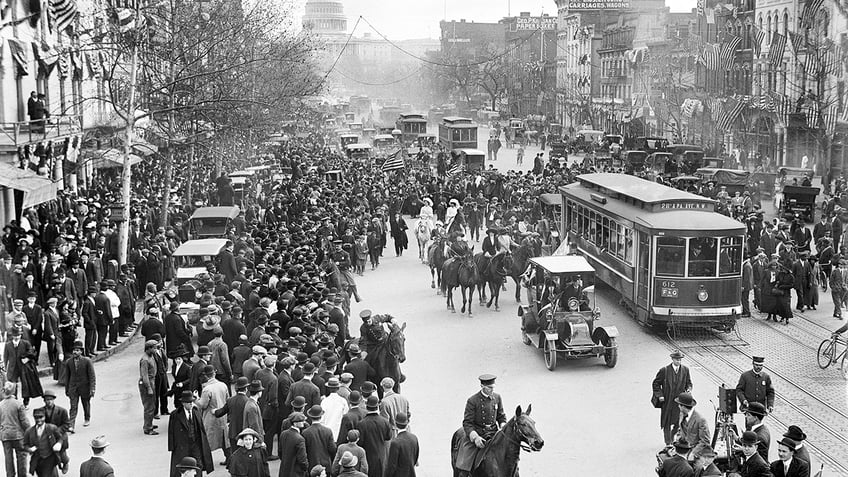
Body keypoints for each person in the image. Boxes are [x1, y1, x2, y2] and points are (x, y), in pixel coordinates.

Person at [455, 374, 507, 475]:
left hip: (493, 433)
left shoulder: (497, 397)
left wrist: (502, 426)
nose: (492, 390)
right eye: (489, 388)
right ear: (482, 386)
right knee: (464, 466)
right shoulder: (472, 401)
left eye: (493, 387)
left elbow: (501, 416)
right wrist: (475, 438)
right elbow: (467, 423)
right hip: (478, 433)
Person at [168, 391, 214, 477]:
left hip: (195, 444)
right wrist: (172, 447)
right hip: (182, 445)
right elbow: (171, 432)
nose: (191, 404)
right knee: (183, 467)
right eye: (188, 402)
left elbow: (201, 429)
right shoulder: (175, 414)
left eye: (191, 402)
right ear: (183, 403)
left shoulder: (196, 412)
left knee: (198, 464)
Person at [652, 350, 693, 444]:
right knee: (666, 422)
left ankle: (672, 436)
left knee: (679, 422)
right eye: (677, 360)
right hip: (667, 401)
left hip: (679, 402)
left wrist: (689, 390)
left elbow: (689, 383)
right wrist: (660, 395)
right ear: (672, 359)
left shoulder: (685, 370)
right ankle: (668, 443)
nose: (679, 361)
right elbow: (656, 383)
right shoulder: (664, 370)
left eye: (680, 360)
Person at [196, 365, 230, 464]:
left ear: (205, 376)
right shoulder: (223, 385)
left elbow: (203, 405)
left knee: (207, 441)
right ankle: (229, 459)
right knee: (224, 439)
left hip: (210, 418)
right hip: (223, 415)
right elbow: (228, 399)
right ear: (214, 373)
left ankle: (205, 462)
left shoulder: (207, 389)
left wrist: (195, 399)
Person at [62, 339, 95, 431]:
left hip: (85, 387)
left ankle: (87, 418)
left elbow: (92, 376)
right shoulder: (69, 362)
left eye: (77, 350)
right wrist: (67, 389)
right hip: (73, 388)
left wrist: (92, 389)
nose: (75, 352)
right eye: (74, 350)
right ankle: (71, 425)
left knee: (86, 404)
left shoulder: (87, 361)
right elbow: (67, 377)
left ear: (81, 351)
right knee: (73, 407)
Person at [356, 395, 392, 477]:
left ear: (366, 406)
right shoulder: (385, 421)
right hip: (381, 455)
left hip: (367, 456)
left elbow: (360, 442)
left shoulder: (361, 424)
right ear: (378, 406)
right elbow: (388, 437)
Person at [0, 382, 30, 477]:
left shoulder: (0, 405)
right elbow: (24, 421)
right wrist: (29, 432)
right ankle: (22, 475)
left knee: (8, 458)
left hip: (5, 435)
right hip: (18, 435)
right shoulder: (18, 404)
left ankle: (10, 475)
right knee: (21, 456)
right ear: (14, 391)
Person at [22, 408, 63, 477]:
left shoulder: (51, 428)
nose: (39, 420)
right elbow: (25, 444)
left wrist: (59, 443)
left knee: (46, 474)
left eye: (41, 417)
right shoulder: (29, 431)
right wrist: (29, 449)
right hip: (37, 460)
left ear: (45, 417)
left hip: (49, 457)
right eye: (36, 417)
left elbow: (60, 438)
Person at [37, 390, 70, 472]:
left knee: (62, 454)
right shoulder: (40, 412)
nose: (49, 402)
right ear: (44, 401)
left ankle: (65, 463)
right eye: (47, 400)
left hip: (60, 436)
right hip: (47, 437)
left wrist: (57, 430)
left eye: (51, 399)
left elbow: (66, 424)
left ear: (54, 400)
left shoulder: (62, 411)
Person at [674, 392, 711, 457]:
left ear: (683, 406)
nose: (678, 406)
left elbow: (705, 441)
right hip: (683, 450)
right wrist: (678, 441)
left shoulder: (700, 420)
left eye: (679, 405)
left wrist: (692, 453)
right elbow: (680, 430)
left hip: (695, 453)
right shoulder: (682, 414)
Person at [303, 405, 336, 471]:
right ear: (321, 416)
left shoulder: (305, 432)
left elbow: (304, 451)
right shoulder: (328, 431)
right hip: (326, 464)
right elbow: (332, 449)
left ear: (310, 416)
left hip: (311, 465)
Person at [385, 412, 418, 477]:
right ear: (407, 423)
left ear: (396, 424)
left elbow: (392, 466)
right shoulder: (414, 438)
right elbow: (415, 458)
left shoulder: (395, 442)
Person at [277, 411, 308, 477]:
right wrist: (306, 468)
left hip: (284, 471)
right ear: (295, 423)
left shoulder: (283, 434)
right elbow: (302, 460)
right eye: (301, 421)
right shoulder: (300, 439)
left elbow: (280, 452)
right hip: (296, 473)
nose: (303, 422)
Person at [139, 339, 159, 435]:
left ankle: (149, 423)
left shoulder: (151, 356)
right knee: (149, 406)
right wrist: (149, 388)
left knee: (152, 405)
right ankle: (148, 428)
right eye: (154, 348)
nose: (156, 350)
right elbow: (144, 375)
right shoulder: (145, 360)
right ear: (149, 348)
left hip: (152, 381)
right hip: (147, 383)